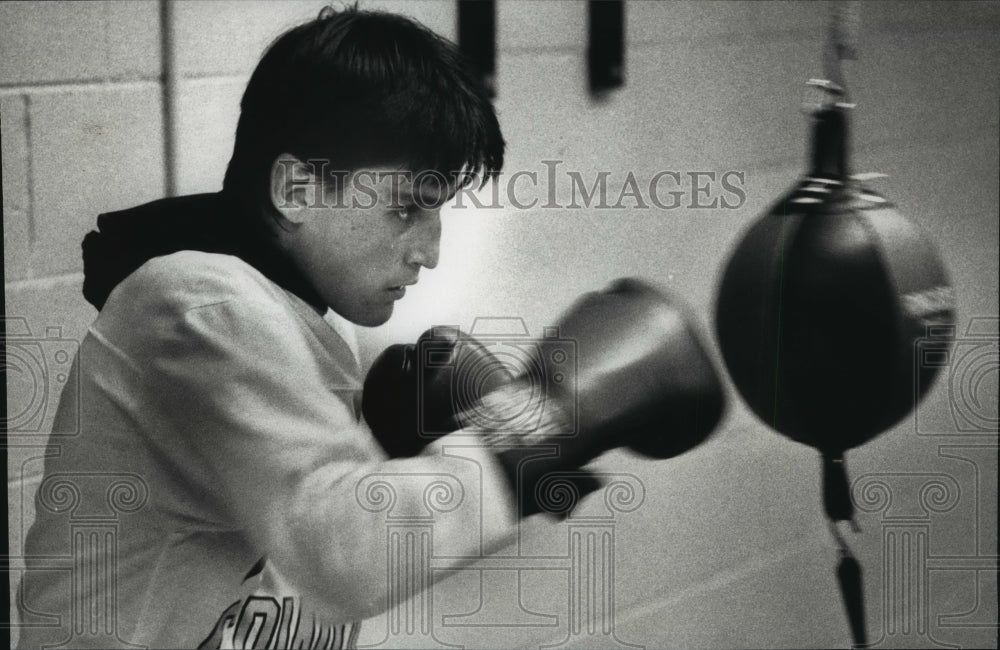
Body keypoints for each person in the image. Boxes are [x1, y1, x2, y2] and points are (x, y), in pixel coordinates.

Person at [17, 6, 725, 649]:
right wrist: (538, 425)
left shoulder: (295, 320)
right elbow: (342, 557)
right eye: (406, 209)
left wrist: (397, 448)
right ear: (296, 188)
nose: (430, 249)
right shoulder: (198, 305)